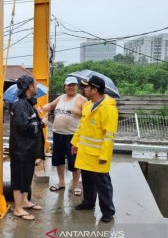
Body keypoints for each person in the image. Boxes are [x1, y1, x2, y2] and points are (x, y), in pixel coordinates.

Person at [71, 75, 118, 223]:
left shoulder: (108, 109)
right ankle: (88, 203)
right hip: (85, 153)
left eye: (86, 87)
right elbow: (82, 127)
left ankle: (108, 211)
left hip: (99, 155)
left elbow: (109, 135)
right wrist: (75, 143)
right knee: (87, 181)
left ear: (95, 89)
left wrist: (104, 155)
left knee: (103, 184)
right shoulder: (87, 105)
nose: (83, 89)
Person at [38, 76, 87, 196]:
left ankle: (75, 185)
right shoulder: (61, 97)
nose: (71, 87)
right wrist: (42, 108)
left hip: (73, 136)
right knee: (58, 160)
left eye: (73, 85)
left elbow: (87, 117)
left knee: (74, 162)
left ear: (77, 86)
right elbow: (51, 106)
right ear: (64, 86)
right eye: (68, 85)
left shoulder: (82, 99)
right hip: (57, 134)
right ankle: (61, 182)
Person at [9, 75, 48, 221]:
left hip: (28, 149)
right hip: (21, 149)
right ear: (30, 87)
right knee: (19, 178)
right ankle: (18, 209)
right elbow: (24, 127)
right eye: (36, 85)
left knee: (26, 176)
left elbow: (29, 122)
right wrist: (42, 123)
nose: (37, 88)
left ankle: (24, 201)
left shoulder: (27, 104)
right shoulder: (20, 105)